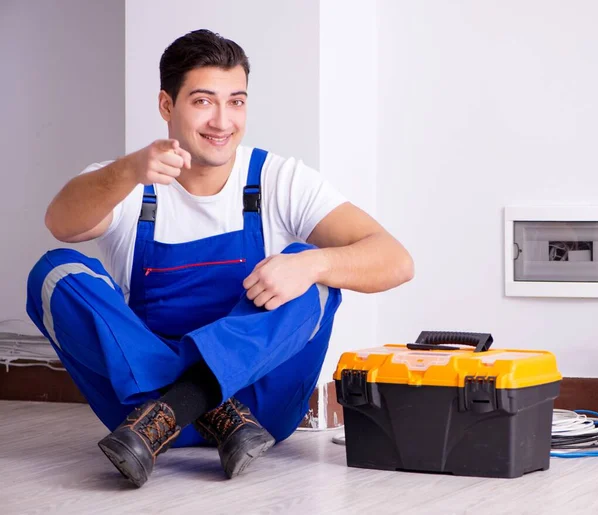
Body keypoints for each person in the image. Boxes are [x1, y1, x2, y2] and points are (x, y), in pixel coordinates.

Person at [26, 29, 414, 488]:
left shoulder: (277, 178)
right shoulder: (130, 179)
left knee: (316, 267)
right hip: (143, 411)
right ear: (167, 106)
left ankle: (184, 403)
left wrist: (312, 265)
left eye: (237, 102)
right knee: (55, 271)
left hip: (256, 410)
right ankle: (202, 411)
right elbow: (61, 222)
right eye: (204, 101)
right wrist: (129, 170)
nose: (222, 121)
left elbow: (395, 260)